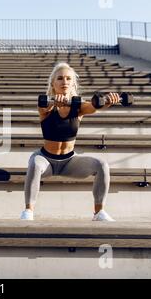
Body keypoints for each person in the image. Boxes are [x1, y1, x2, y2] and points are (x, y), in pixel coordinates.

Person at [21, 62, 120, 221]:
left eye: (68, 78)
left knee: (101, 164)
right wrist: (55, 102)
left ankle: (99, 212)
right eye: (60, 78)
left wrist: (107, 101)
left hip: (69, 161)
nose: (64, 82)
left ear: (73, 83)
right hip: (46, 159)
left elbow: (94, 106)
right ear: (53, 84)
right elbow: (43, 108)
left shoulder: (79, 107)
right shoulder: (46, 105)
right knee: (35, 163)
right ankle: (28, 211)